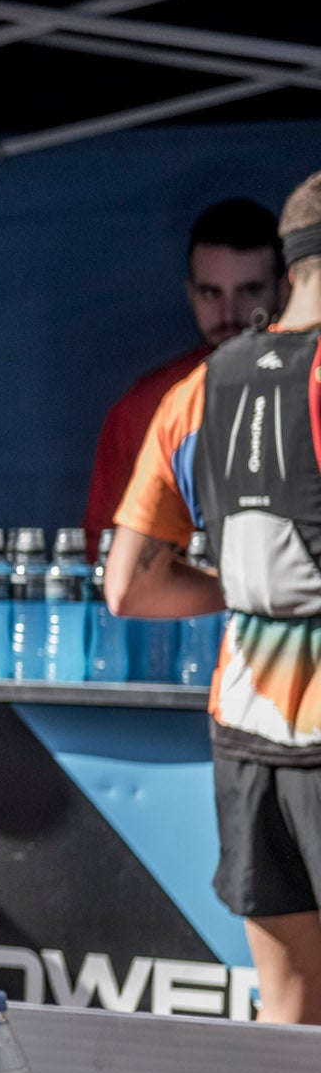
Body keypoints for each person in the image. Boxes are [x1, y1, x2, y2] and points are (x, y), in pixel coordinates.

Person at [107, 170, 321, 1025]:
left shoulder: (197, 391)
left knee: (291, 1011)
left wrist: (259, 587)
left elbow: (128, 585)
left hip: (251, 739)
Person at [84, 199, 287, 554]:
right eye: (211, 293)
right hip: (182, 606)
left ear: (284, 289)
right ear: (191, 294)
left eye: (249, 291)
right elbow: (104, 553)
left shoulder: (311, 385)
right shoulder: (147, 406)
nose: (230, 313)